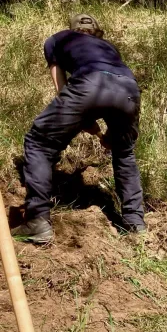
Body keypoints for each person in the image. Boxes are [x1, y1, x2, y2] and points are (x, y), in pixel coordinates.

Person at [11, 14, 146, 244]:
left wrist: (83, 119)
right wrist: (104, 132)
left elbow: (61, 88)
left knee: (39, 142)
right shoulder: (108, 47)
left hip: (89, 85)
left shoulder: (58, 39)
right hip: (128, 89)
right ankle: (136, 224)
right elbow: (111, 83)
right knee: (123, 152)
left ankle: (37, 221)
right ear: (96, 32)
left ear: (72, 29)